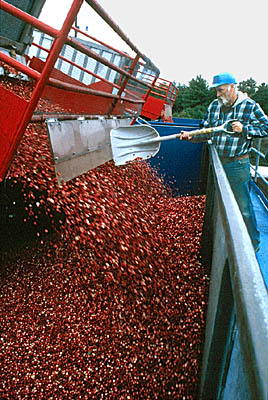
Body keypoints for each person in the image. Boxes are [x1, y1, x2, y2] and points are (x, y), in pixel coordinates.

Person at [180, 72, 268, 252]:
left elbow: (266, 127)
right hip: (218, 163)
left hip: (237, 164)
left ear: (232, 87)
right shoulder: (214, 106)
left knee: (243, 206)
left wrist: (245, 129)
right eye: (216, 91)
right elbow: (206, 131)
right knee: (220, 204)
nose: (217, 95)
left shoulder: (249, 106)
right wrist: (191, 137)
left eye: (220, 90)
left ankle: (253, 244)